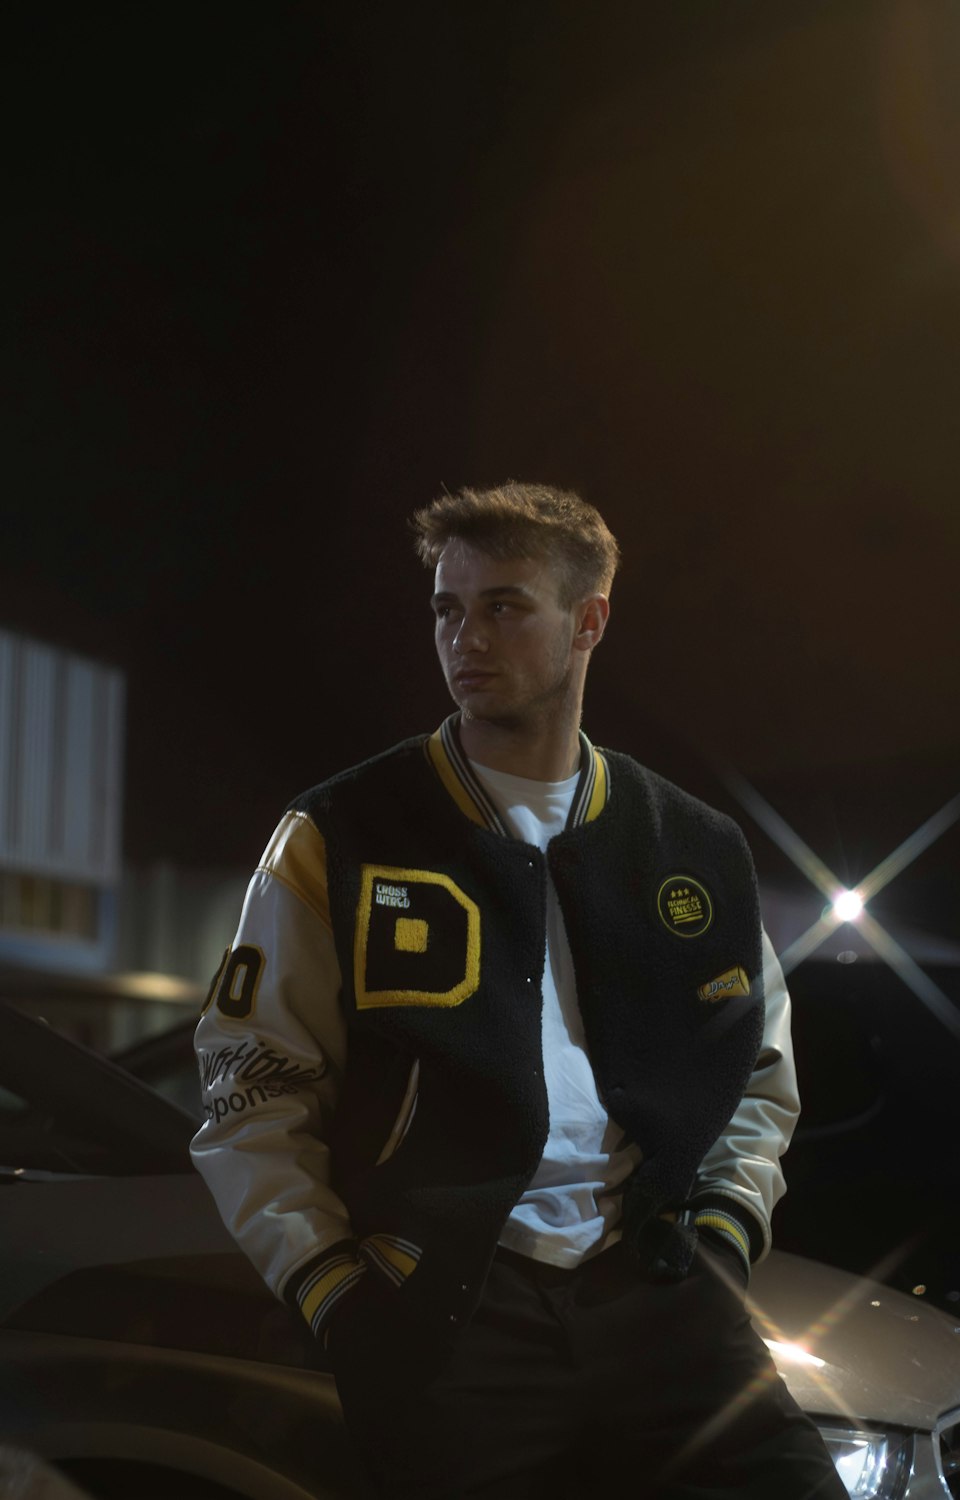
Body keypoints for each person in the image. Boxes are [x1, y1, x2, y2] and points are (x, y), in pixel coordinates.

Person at [191, 482, 846, 1499]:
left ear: (589, 621)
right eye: (448, 610)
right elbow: (251, 1084)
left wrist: (718, 1235)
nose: (465, 637)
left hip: (658, 1292)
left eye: (503, 605)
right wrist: (335, 1295)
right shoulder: (342, 832)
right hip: (447, 1314)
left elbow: (757, 1075)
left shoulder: (693, 845)